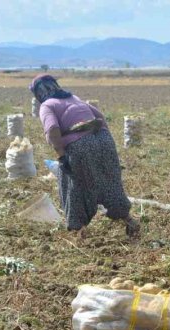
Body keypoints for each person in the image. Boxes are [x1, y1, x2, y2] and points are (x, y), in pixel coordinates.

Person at [30, 74, 140, 235]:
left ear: (38, 93)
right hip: (104, 139)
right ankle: (129, 220)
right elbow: (100, 117)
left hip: (80, 146)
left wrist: (61, 156)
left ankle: (78, 230)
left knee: (74, 186)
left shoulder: (47, 105)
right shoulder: (74, 98)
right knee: (110, 181)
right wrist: (104, 142)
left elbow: (52, 128)